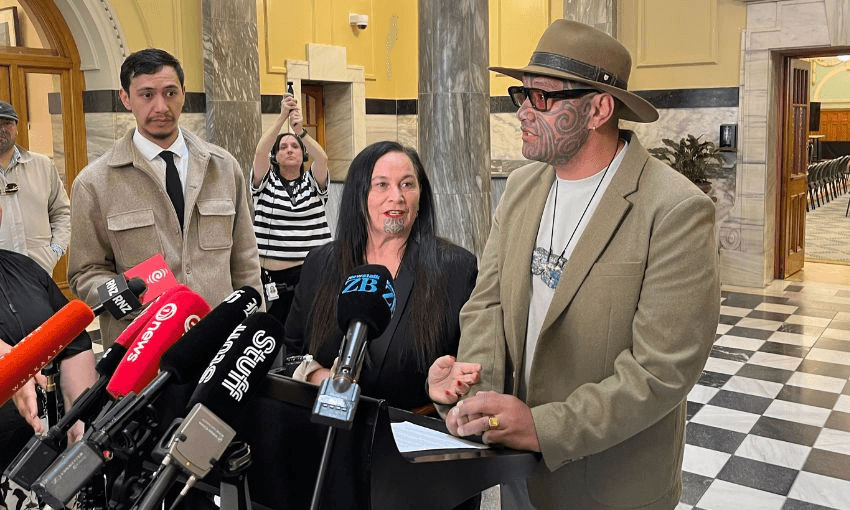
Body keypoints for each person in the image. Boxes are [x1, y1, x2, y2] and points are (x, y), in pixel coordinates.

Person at [427, 20, 720, 510]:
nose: (522, 109)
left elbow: (661, 371)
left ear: (598, 109)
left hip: (611, 486)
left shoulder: (673, 210)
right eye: (521, 93)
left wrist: (543, 427)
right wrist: (474, 394)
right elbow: (488, 306)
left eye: (541, 97)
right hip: (519, 475)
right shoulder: (522, 188)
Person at [67, 48, 262, 347]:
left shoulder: (222, 168)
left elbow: (246, 262)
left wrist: (253, 332)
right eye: (147, 95)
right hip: (143, 349)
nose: (161, 106)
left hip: (220, 343)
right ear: (125, 98)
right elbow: (84, 273)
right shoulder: (94, 184)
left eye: (170, 92)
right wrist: (130, 296)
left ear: (184, 93)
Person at [286, 140, 478, 412]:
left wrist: (441, 388)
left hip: (411, 433)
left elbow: (470, 362)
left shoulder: (456, 267)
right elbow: (291, 351)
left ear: (421, 196)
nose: (397, 197)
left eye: (407, 185)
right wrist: (318, 376)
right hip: (326, 432)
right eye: (382, 185)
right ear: (359, 195)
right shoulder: (320, 263)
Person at [0, 208, 97, 475]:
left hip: (48, 458)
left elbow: (73, 341)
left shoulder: (25, 268)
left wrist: (80, 422)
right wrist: (13, 365)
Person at [251, 92, 331, 326]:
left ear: (303, 152)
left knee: (312, 332)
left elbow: (323, 158)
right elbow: (259, 152)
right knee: (272, 333)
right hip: (273, 278)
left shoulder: (313, 181)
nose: (289, 149)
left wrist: (300, 131)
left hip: (314, 275)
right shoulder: (265, 182)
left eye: (295, 146)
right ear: (275, 156)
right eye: (283, 147)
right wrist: (281, 118)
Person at [0, 101, 71, 273]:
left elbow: (62, 213)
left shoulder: (43, 165)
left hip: (39, 272)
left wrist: (55, 251)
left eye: (7, 123)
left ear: (16, 127)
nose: (2, 129)